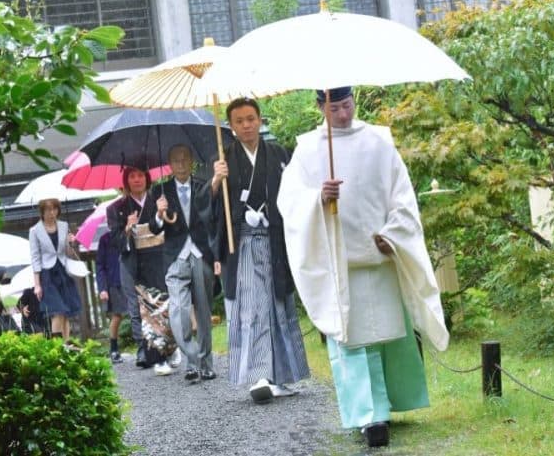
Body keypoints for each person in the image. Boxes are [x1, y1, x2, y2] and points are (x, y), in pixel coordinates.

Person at [276, 87, 450, 448]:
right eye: (335, 108)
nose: (343, 114)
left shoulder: (378, 141)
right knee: (354, 341)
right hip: (341, 265)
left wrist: (394, 233)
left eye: (347, 105)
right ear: (321, 107)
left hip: (380, 255)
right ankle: (370, 417)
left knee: (390, 337)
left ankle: (393, 402)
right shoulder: (309, 149)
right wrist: (318, 198)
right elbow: (289, 202)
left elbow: (403, 196)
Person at [209, 97, 309, 403]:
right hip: (246, 244)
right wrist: (216, 182)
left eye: (251, 118)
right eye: (239, 121)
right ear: (230, 126)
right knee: (253, 307)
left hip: (277, 240)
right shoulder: (224, 160)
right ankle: (259, 376)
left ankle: (284, 375)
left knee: (279, 304)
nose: (246, 125)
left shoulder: (279, 154)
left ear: (260, 119)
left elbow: (298, 191)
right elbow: (211, 209)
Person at [150, 144, 219, 383]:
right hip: (175, 257)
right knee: (178, 312)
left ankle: (204, 364)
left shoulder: (204, 186)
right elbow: (152, 227)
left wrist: (217, 257)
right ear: (169, 164)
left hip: (202, 254)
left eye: (185, 159)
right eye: (176, 160)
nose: (180, 164)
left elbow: (214, 220)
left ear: (191, 162)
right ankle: (193, 357)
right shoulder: (159, 192)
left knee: (203, 312)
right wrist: (159, 214)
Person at [106, 166, 170, 370]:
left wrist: (160, 213)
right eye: (132, 176)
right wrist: (127, 227)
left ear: (147, 178)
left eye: (140, 175)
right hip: (131, 259)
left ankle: (165, 347)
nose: (137, 180)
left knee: (159, 303)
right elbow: (115, 241)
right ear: (126, 181)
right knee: (135, 306)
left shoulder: (158, 200)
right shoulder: (116, 208)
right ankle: (143, 347)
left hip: (155, 257)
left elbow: (162, 227)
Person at [30, 198, 82, 342]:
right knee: (57, 311)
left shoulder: (64, 226)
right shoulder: (35, 231)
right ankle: (57, 347)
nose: (52, 213)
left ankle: (66, 345)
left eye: (54, 209)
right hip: (47, 275)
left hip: (63, 271)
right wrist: (37, 285)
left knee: (66, 313)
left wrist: (70, 243)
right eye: (48, 210)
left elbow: (68, 253)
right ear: (42, 212)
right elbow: (35, 258)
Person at [95, 230, 127, 363]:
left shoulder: (129, 234)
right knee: (117, 315)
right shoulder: (105, 239)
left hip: (131, 278)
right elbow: (100, 265)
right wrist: (102, 288)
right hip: (114, 282)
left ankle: (146, 348)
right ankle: (114, 349)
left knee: (141, 314)